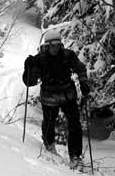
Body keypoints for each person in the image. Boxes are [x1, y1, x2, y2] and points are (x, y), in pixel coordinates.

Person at [22, 29, 90, 168]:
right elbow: (30, 82)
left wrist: (83, 82)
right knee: (49, 123)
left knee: (74, 124)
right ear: (47, 45)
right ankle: (49, 145)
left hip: (67, 95)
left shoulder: (67, 55)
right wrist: (27, 68)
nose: (55, 48)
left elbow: (80, 68)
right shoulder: (39, 59)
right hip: (49, 96)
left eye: (58, 44)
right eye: (52, 45)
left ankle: (75, 156)